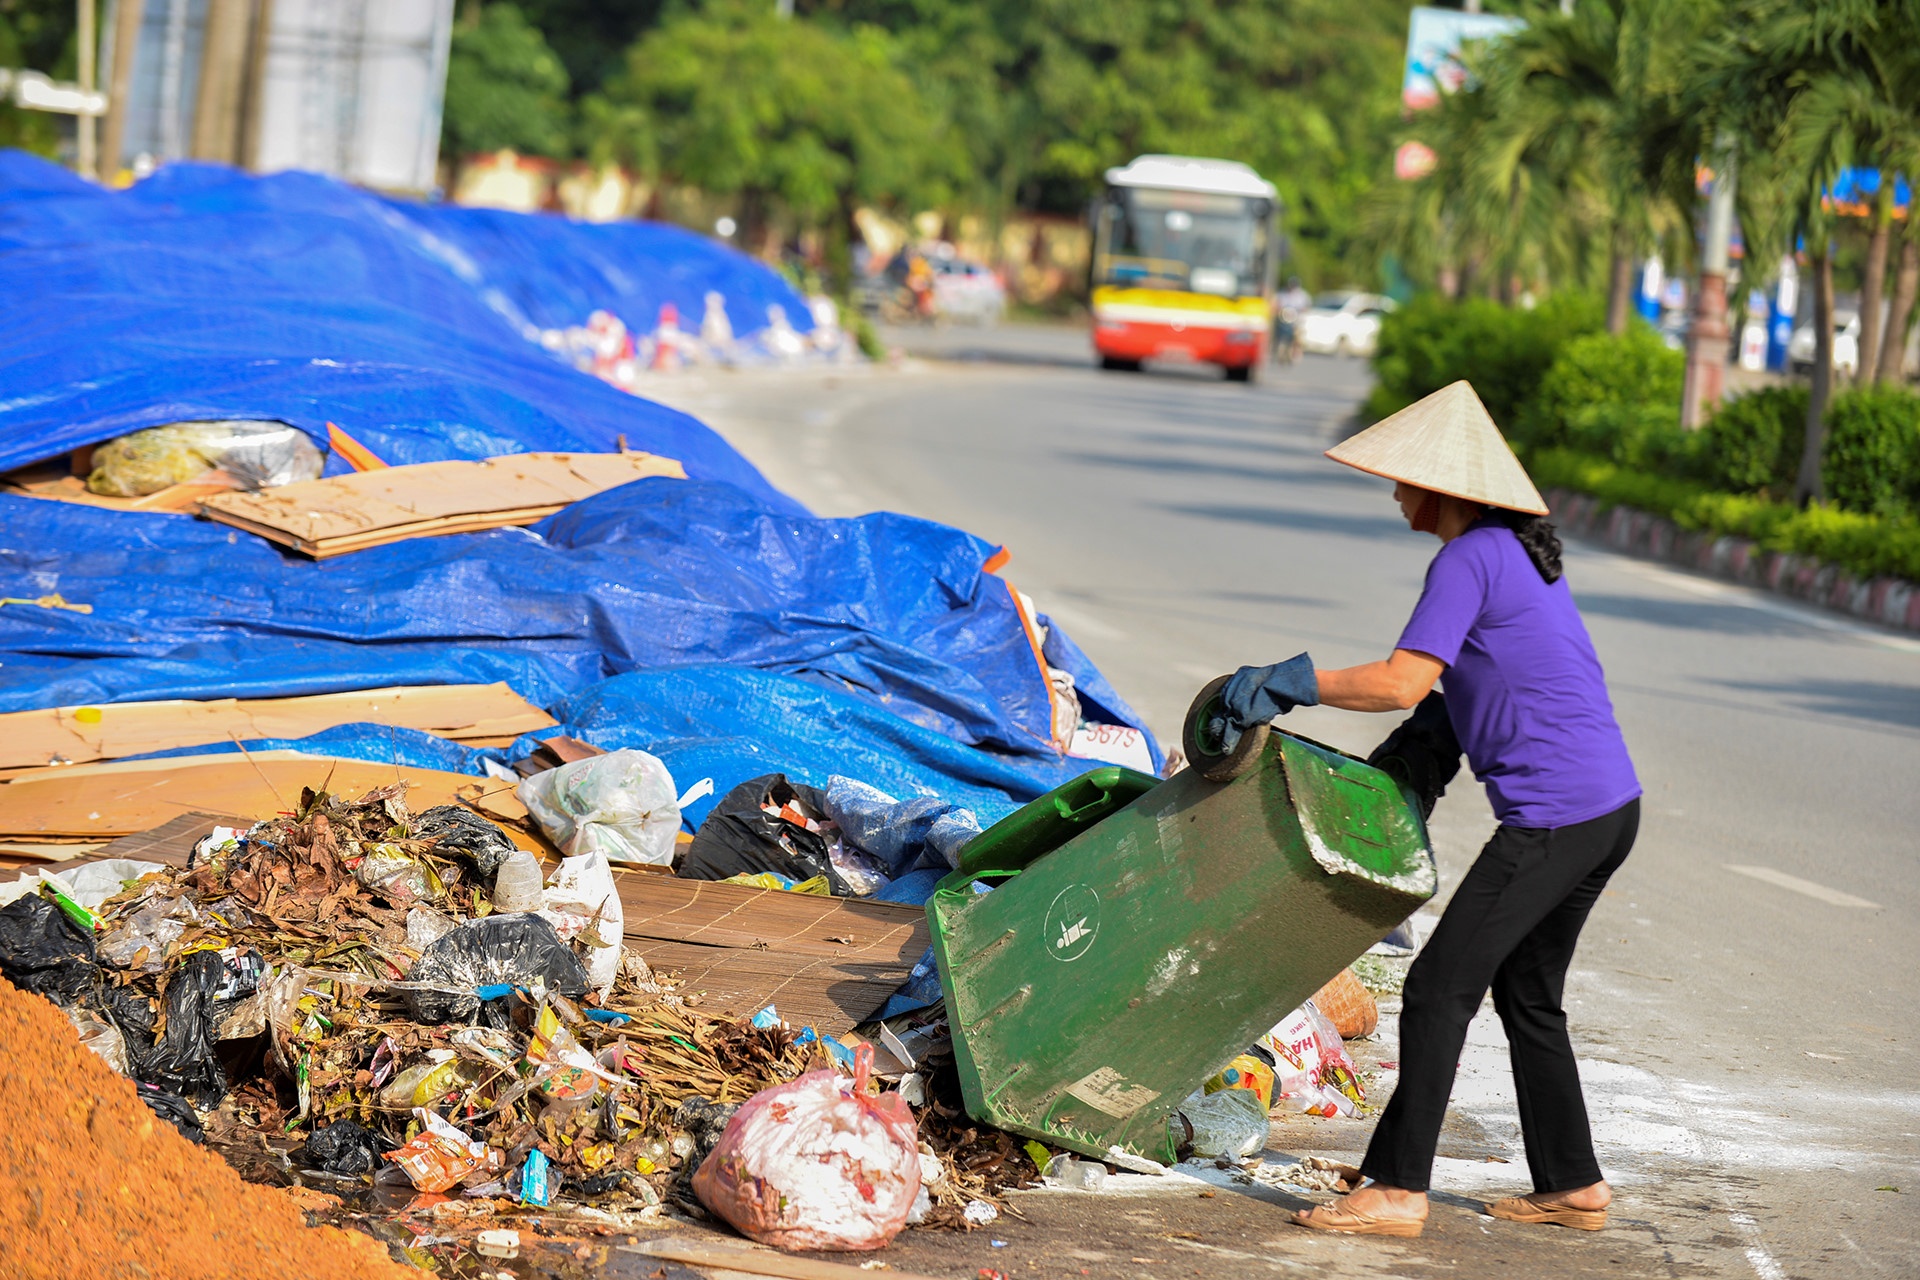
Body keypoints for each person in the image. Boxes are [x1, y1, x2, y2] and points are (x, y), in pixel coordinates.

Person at [1208, 380, 1640, 1238]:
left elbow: (1404, 679)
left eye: (1407, 481)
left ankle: (1398, 1188)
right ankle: (1573, 1183)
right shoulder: (1515, 557)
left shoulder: (1469, 558)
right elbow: (1462, 687)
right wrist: (1415, 765)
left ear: (1446, 490)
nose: (1398, 493)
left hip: (1554, 819)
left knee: (1440, 984)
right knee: (1529, 993)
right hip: (1610, 811)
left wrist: (1286, 685)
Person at [1273, 276, 1311, 363]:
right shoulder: (1283, 294)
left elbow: (1306, 307)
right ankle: (1276, 350)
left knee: (1298, 336)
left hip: (1296, 319)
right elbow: (1277, 304)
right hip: (1284, 318)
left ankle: (1296, 351)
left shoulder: (1302, 295)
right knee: (1277, 333)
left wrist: (1301, 311)